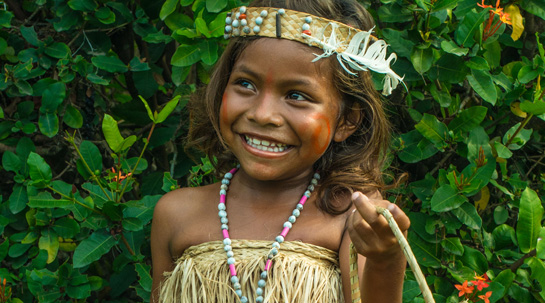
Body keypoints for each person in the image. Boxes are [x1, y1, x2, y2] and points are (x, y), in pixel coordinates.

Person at [151, 0, 410, 302]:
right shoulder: (176, 214)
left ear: (347, 120)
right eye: (245, 84)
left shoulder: (352, 218)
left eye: (296, 95)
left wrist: (386, 260)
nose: (263, 115)